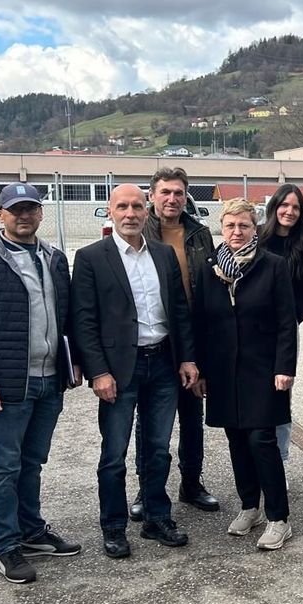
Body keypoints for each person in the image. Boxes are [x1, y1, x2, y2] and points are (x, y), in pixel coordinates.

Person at [0, 183, 82, 583]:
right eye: (15, 210)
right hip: (8, 385)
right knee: (4, 465)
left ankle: (31, 531)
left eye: (31, 209)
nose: (23, 216)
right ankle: (6, 545)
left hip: (49, 381)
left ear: (41, 213)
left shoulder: (54, 259)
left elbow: (68, 318)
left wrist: (72, 364)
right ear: (0, 214)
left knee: (33, 461)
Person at [71, 183, 199, 559]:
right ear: (110, 212)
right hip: (118, 369)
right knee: (114, 453)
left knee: (158, 449)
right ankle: (113, 526)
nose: (130, 214)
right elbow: (84, 320)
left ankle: (157, 517)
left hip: (162, 363)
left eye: (137, 207)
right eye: (122, 207)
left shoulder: (162, 254)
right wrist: (98, 372)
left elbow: (179, 311)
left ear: (148, 212)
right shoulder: (92, 257)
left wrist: (186, 358)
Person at [192, 199, 297, 550]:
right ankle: (250, 506)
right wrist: (203, 370)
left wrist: (285, 367)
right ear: (222, 228)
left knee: (261, 441)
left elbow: (287, 322)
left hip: (264, 369)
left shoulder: (273, 266)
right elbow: (202, 323)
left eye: (244, 226)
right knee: (236, 439)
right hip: (223, 370)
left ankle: (279, 517)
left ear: (255, 229)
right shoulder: (210, 268)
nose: (237, 232)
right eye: (231, 226)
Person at [130, 165, 219, 520]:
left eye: (178, 193)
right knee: (149, 420)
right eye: (165, 192)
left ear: (186, 197)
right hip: (154, 339)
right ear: (151, 196)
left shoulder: (199, 234)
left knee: (192, 415)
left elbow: (211, 291)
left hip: (192, 338)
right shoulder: (140, 230)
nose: (172, 199)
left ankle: (191, 483)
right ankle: (147, 487)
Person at [259, 183, 303, 462]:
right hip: (252, 328)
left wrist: (293, 316)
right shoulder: (256, 239)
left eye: (296, 207)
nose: (289, 212)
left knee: (281, 392)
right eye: (285, 205)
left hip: (285, 330)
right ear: (274, 207)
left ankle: (279, 459)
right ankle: (257, 456)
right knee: (256, 390)